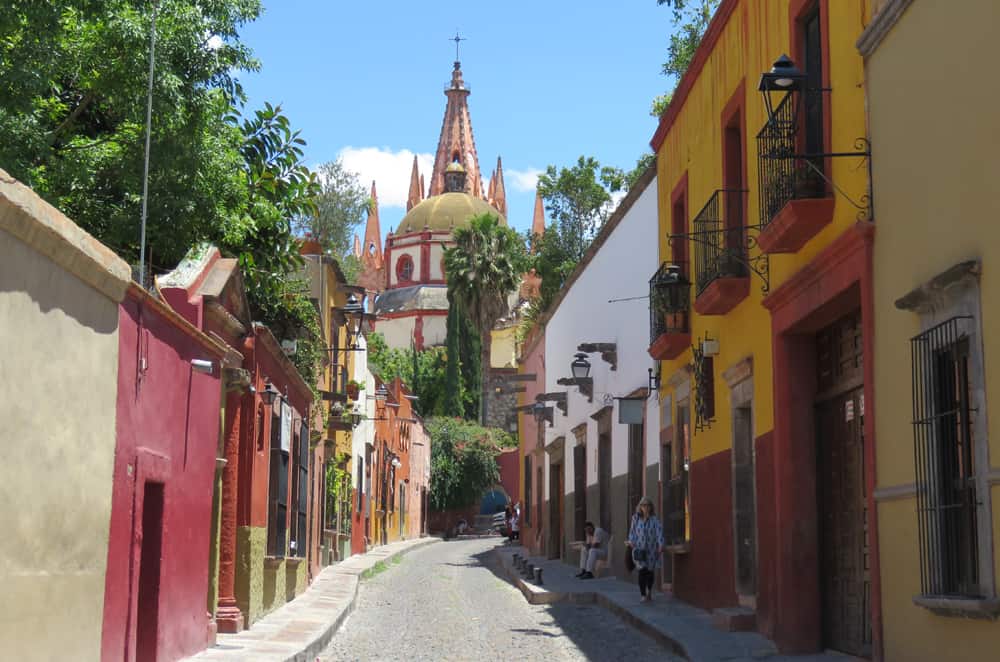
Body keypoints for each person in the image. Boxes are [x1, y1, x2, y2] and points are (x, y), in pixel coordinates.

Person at [626, 496, 664, 602]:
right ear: (640, 507)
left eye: (647, 505)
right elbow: (632, 533)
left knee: (650, 572)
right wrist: (632, 543)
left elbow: (659, 533)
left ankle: (649, 590)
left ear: (651, 507)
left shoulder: (655, 520)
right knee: (642, 571)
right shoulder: (635, 518)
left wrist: (661, 545)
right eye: (643, 505)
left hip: (652, 550)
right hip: (639, 549)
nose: (645, 507)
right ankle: (643, 594)